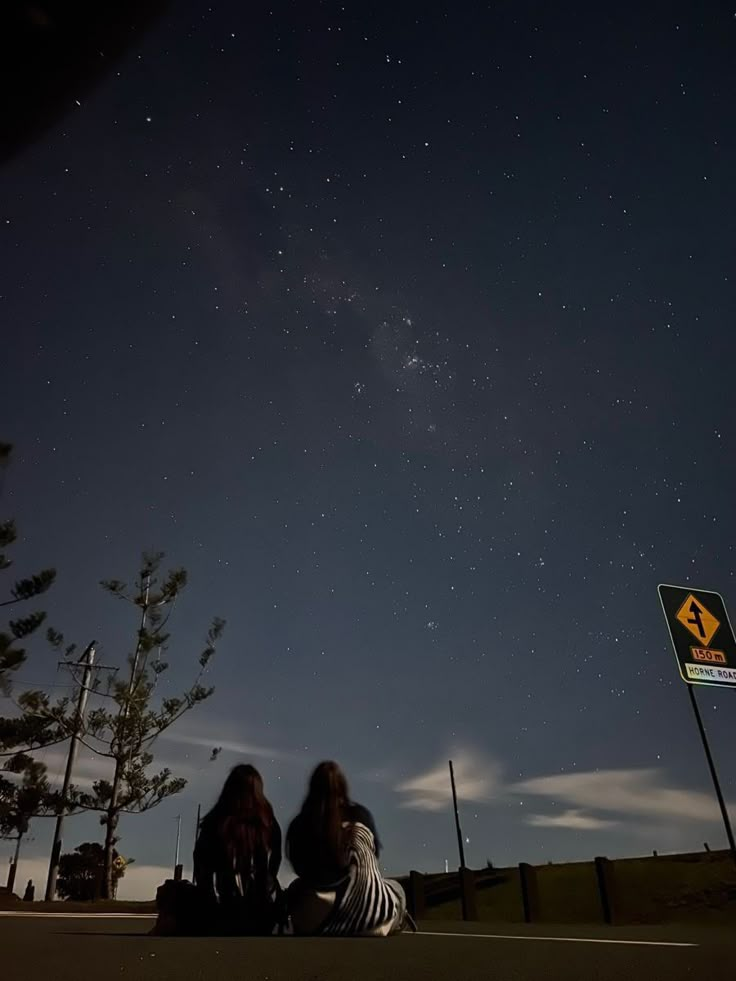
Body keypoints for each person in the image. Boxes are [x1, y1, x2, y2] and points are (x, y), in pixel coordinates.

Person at [153, 764, 283, 936]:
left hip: (219, 913)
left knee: (172, 889)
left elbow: (201, 868)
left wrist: (207, 898)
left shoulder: (215, 822)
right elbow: (276, 860)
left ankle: (172, 923)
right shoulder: (267, 822)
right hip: (260, 916)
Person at [285, 760, 410, 936]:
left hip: (319, 919)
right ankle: (392, 920)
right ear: (343, 786)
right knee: (397, 889)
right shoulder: (360, 815)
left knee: (295, 888)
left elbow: (299, 868)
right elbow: (374, 857)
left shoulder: (300, 824)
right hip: (370, 916)